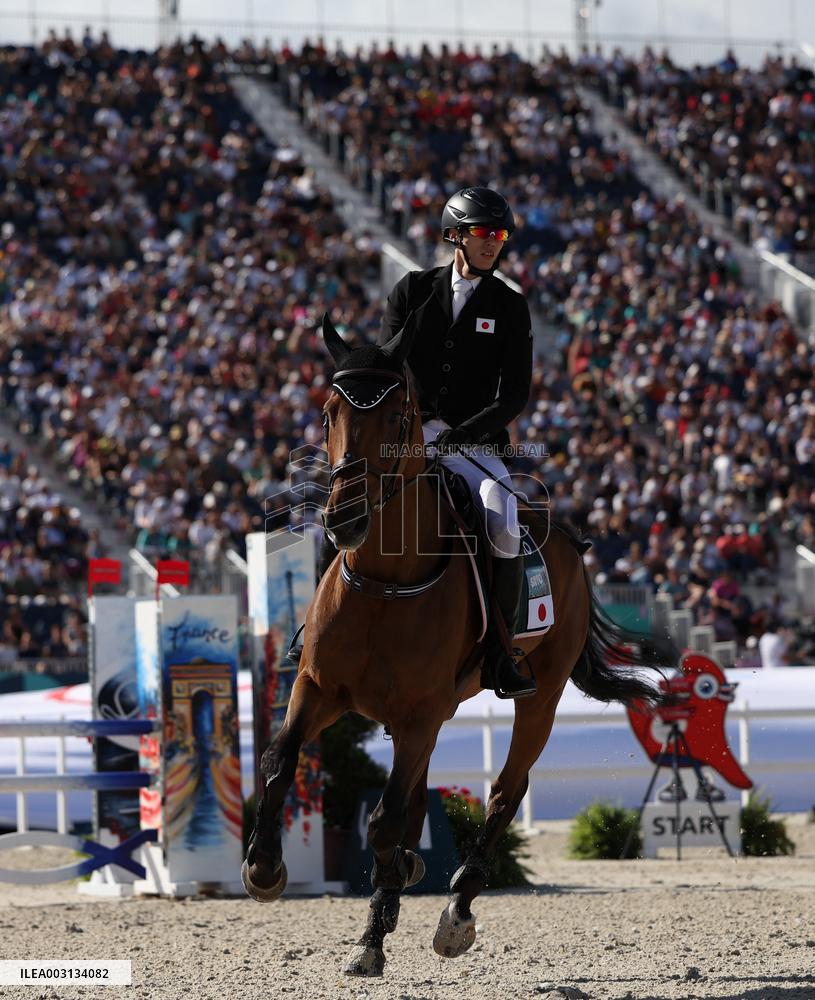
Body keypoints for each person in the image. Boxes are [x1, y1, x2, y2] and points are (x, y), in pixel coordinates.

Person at [375, 186, 535, 698]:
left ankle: (501, 653)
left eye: (500, 234)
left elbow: (514, 395)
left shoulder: (510, 306)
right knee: (351, 496)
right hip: (410, 434)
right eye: (484, 232)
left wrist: (464, 434)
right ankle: (315, 626)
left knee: (504, 513)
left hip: (474, 442)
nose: (494, 242)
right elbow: (387, 367)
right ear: (455, 235)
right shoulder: (412, 290)